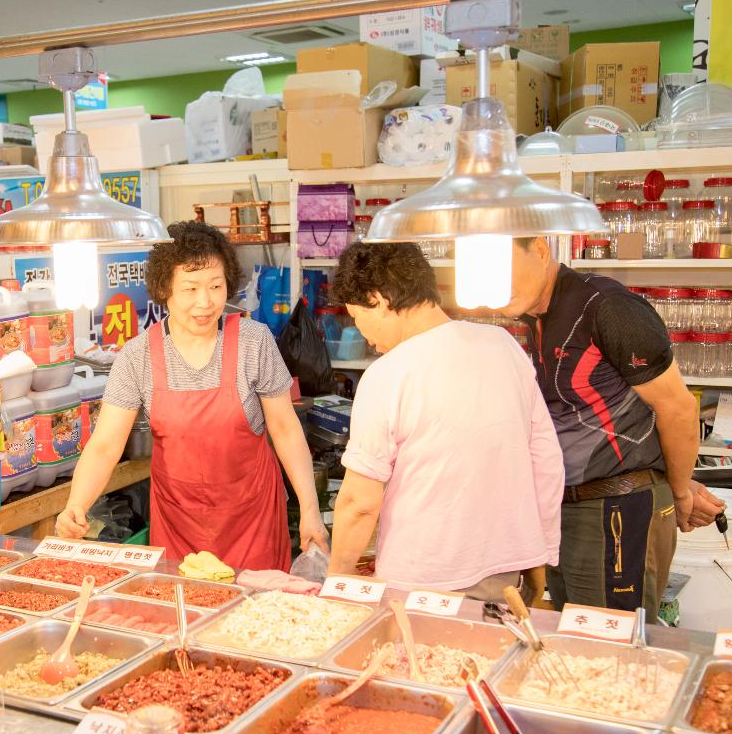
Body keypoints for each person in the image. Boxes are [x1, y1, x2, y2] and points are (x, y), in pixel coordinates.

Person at [55, 221, 328, 569]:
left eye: (216, 286)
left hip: (252, 519)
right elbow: (106, 444)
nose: (205, 302)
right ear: (165, 289)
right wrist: (76, 504)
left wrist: (309, 510)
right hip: (177, 523)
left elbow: (286, 429)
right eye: (190, 288)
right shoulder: (137, 356)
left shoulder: (253, 342)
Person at [494, 237, 725, 616]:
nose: (493, 288)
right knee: (573, 638)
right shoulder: (537, 317)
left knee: (611, 640)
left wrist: (679, 491)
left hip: (615, 509)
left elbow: (678, 408)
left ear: (539, 249)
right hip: (567, 507)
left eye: (502, 269)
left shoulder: (606, 307)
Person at [325, 242, 564, 602]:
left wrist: (336, 582)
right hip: (503, 570)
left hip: (422, 579)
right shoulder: (503, 345)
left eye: (359, 320)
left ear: (380, 300)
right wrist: (538, 557)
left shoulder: (388, 374)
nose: (366, 338)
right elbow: (546, 459)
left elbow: (359, 502)